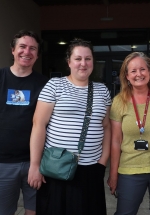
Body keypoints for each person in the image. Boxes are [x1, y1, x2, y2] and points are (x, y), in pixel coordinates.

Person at [28, 38, 111, 215]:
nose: (83, 63)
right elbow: (38, 125)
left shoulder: (102, 90)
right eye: (78, 58)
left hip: (91, 169)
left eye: (88, 59)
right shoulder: (54, 85)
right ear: (69, 62)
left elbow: (106, 127)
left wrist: (102, 162)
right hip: (57, 167)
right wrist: (35, 165)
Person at [107, 52, 150, 215]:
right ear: (127, 76)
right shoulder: (118, 102)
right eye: (133, 71)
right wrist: (113, 174)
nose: (139, 74)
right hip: (130, 170)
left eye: (143, 69)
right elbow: (116, 141)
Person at [0, 30, 48, 215]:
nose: (27, 52)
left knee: (35, 211)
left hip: (35, 162)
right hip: (3, 163)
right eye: (22, 47)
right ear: (13, 50)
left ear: (37, 54)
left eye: (33, 48)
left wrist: (37, 164)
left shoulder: (45, 84)